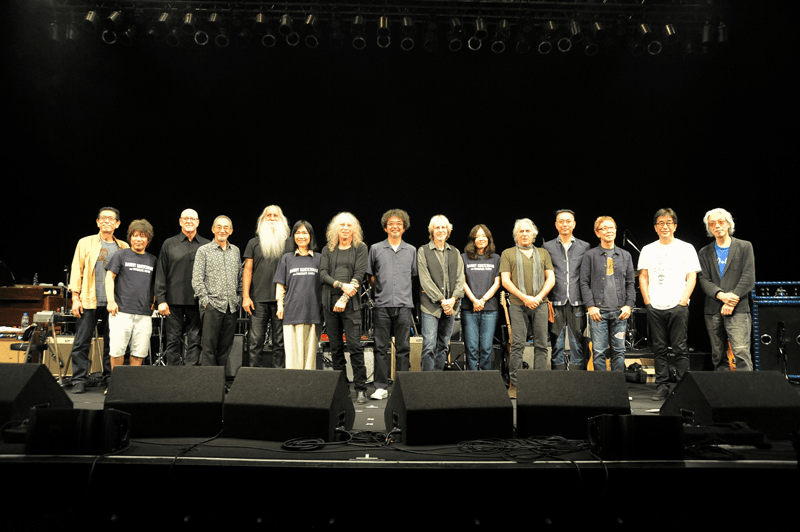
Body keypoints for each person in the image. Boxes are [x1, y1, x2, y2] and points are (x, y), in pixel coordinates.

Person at [638, 208, 701, 401]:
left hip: (678, 305)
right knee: (659, 348)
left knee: (680, 348)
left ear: (675, 226)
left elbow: (692, 277)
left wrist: (683, 301)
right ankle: (662, 386)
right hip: (655, 305)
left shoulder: (686, 247)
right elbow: (643, 276)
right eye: (660, 223)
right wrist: (647, 302)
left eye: (668, 223)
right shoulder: (648, 249)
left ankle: (683, 388)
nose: (665, 226)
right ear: (655, 227)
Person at [68, 207, 130, 394]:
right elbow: (76, 270)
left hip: (114, 302)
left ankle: (110, 377)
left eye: (111, 219)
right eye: (103, 218)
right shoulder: (85, 243)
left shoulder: (123, 247)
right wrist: (75, 298)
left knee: (113, 343)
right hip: (89, 300)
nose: (106, 221)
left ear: (118, 224)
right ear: (97, 222)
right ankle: (79, 379)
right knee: (82, 342)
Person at [500, 218, 555, 398]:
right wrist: (525, 298)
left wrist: (538, 298)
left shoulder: (543, 253)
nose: (524, 234)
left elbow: (551, 278)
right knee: (517, 345)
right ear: (516, 235)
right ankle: (514, 385)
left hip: (540, 304)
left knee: (541, 344)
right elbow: (505, 280)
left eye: (527, 231)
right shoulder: (507, 253)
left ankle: (538, 383)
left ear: (534, 234)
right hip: (517, 304)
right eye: (521, 231)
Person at [366, 209, 418, 399]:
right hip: (381, 305)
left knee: (403, 347)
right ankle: (380, 387)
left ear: (404, 227)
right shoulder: (376, 248)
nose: (395, 226)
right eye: (391, 223)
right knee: (380, 347)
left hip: (404, 305)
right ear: (385, 227)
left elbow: (412, 276)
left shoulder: (412, 250)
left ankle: (401, 386)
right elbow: (371, 276)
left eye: (399, 223)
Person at [698, 208, 756, 371]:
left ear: (729, 223)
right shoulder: (704, 252)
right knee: (718, 355)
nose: (717, 226)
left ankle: (746, 394)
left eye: (721, 221)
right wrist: (722, 296)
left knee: (741, 353)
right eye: (712, 223)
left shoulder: (744, 246)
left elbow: (748, 277)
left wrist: (732, 300)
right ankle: (723, 394)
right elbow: (704, 279)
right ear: (709, 228)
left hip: (738, 308)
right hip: (713, 309)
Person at [320, 212, 369, 403]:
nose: (346, 228)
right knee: (335, 348)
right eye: (342, 225)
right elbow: (323, 274)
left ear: (354, 229)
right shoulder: (327, 249)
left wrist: (344, 298)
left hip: (351, 303)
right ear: (335, 228)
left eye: (349, 225)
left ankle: (361, 389)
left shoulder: (360, 248)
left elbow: (359, 274)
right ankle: (341, 389)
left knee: (355, 347)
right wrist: (341, 286)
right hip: (329, 303)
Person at [579, 216, 636, 372]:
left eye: (612, 227)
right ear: (598, 233)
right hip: (598, 312)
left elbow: (631, 283)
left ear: (616, 230)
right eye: (604, 228)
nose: (609, 231)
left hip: (619, 312)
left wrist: (628, 306)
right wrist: (590, 306)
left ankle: (617, 390)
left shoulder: (625, 256)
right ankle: (602, 391)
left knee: (619, 351)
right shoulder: (590, 256)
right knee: (598, 352)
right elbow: (583, 282)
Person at [154, 209, 210, 366]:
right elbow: (161, 273)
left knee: (195, 340)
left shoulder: (207, 245)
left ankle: (190, 376)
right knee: (172, 340)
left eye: (193, 218)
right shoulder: (169, 244)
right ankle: (173, 376)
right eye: (186, 218)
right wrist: (161, 300)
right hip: (173, 301)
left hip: (198, 302)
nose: (189, 221)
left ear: (198, 222)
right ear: (180, 221)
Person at [242, 205, 292, 368]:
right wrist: (246, 297)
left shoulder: (290, 244)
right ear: (262, 219)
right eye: (268, 215)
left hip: (282, 301)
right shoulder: (253, 243)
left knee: (280, 342)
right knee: (255, 342)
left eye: (275, 216)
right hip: (258, 299)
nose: (271, 218)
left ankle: (278, 378)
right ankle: (253, 378)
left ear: (282, 219)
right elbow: (247, 270)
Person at [543, 209, 592, 370]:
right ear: (556, 225)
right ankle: (558, 380)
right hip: (555, 299)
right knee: (556, 340)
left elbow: (587, 275)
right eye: (561, 221)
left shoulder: (585, 246)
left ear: (574, 224)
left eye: (568, 221)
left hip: (577, 300)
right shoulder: (547, 247)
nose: (565, 224)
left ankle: (577, 380)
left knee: (577, 340)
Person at [192, 215, 242, 368]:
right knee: (208, 348)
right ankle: (209, 387)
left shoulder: (235, 251)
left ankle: (220, 384)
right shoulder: (204, 251)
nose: (222, 230)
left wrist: (238, 298)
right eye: (219, 227)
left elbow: (239, 278)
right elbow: (197, 279)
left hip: (231, 307)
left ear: (231, 231)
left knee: (225, 349)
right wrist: (206, 302)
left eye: (226, 227)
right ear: (213, 229)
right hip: (212, 306)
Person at [106, 219, 157, 369]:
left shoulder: (152, 259)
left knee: (139, 352)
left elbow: (155, 284)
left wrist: (154, 302)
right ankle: (117, 386)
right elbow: (110, 277)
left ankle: (132, 388)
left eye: (142, 236)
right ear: (130, 237)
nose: (138, 239)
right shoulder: (120, 255)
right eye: (135, 235)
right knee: (117, 350)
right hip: (121, 312)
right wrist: (111, 301)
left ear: (148, 239)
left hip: (144, 314)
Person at [418, 215, 465, 371]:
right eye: (437, 227)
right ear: (432, 231)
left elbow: (460, 278)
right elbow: (425, 280)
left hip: (451, 306)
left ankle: (437, 381)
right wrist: (442, 300)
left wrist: (452, 300)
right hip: (430, 306)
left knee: (443, 346)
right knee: (429, 346)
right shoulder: (423, 251)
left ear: (448, 230)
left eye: (443, 227)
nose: (440, 230)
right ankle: (427, 383)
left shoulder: (455, 252)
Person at [274, 220, 322, 370]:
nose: (301, 236)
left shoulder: (319, 259)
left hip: (313, 313)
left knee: (310, 358)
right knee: (292, 357)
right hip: (292, 312)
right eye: (298, 232)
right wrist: (280, 305)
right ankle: (293, 388)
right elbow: (280, 285)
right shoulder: (286, 258)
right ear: (293, 236)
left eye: (304, 232)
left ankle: (308, 388)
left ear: (310, 236)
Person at [461, 224, 501, 371]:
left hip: (489, 309)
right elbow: (462, 282)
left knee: (486, 348)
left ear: (488, 239)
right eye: (477, 236)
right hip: (469, 309)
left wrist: (482, 300)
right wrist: (474, 301)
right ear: (472, 240)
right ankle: (472, 381)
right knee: (471, 348)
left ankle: (485, 382)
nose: (481, 239)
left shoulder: (496, 258)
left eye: (484, 236)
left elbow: (497, 283)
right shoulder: (463, 257)